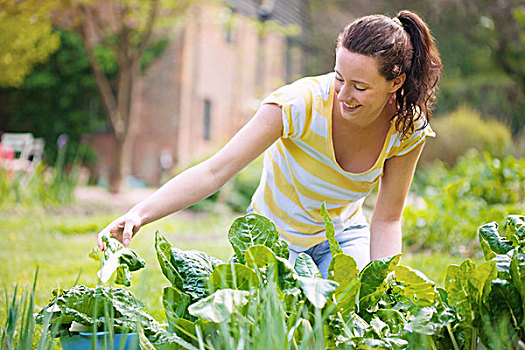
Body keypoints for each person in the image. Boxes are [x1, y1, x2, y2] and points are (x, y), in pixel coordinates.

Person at [97, 10, 442, 278]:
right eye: (339, 78)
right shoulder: (297, 105)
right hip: (275, 243)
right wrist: (139, 213)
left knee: (354, 319)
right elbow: (215, 171)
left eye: (360, 87)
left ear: (395, 82)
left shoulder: (406, 128)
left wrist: (381, 287)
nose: (343, 95)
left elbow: (386, 220)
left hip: (343, 238)